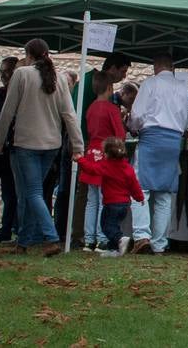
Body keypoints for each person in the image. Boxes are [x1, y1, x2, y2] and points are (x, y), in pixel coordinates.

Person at [0, 39, 83, 256]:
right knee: (28, 193)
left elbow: (8, 111)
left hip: (26, 142)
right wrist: (78, 144)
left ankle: (50, 238)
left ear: (28, 55)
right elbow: (69, 114)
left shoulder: (22, 75)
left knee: (32, 192)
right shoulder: (60, 79)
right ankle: (23, 241)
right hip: (51, 144)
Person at [56, 55, 132, 247]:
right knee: (98, 196)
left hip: (88, 150)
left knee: (88, 196)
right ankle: (98, 236)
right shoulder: (108, 107)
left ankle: (86, 236)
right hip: (93, 149)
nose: (123, 77)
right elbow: (119, 134)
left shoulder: (92, 104)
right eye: (122, 71)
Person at [127, 52, 188, 255]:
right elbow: (186, 120)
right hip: (173, 141)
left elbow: (137, 114)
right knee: (164, 193)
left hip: (152, 138)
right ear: (172, 68)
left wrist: (133, 127)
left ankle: (142, 235)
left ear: (156, 67)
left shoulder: (150, 84)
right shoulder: (183, 88)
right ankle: (160, 243)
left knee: (140, 188)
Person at [80, 78, 131, 250]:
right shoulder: (111, 109)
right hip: (106, 154)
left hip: (91, 152)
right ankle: (103, 237)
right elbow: (120, 134)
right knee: (105, 199)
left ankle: (89, 238)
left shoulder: (90, 108)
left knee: (91, 200)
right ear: (109, 88)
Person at [76, 137, 144, 258]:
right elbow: (134, 185)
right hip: (124, 204)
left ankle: (119, 239)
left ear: (106, 154)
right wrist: (140, 197)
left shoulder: (106, 166)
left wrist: (80, 159)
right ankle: (114, 249)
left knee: (106, 226)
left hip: (111, 203)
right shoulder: (128, 168)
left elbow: (91, 169)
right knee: (115, 225)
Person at [0, 56, 19, 243]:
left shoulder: (20, 94)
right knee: (9, 192)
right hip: (6, 149)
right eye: (2, 72)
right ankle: (7, 229)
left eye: (8, 71)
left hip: (19, 145)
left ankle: (15, 228)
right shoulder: (0, 94)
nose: (4, 75)